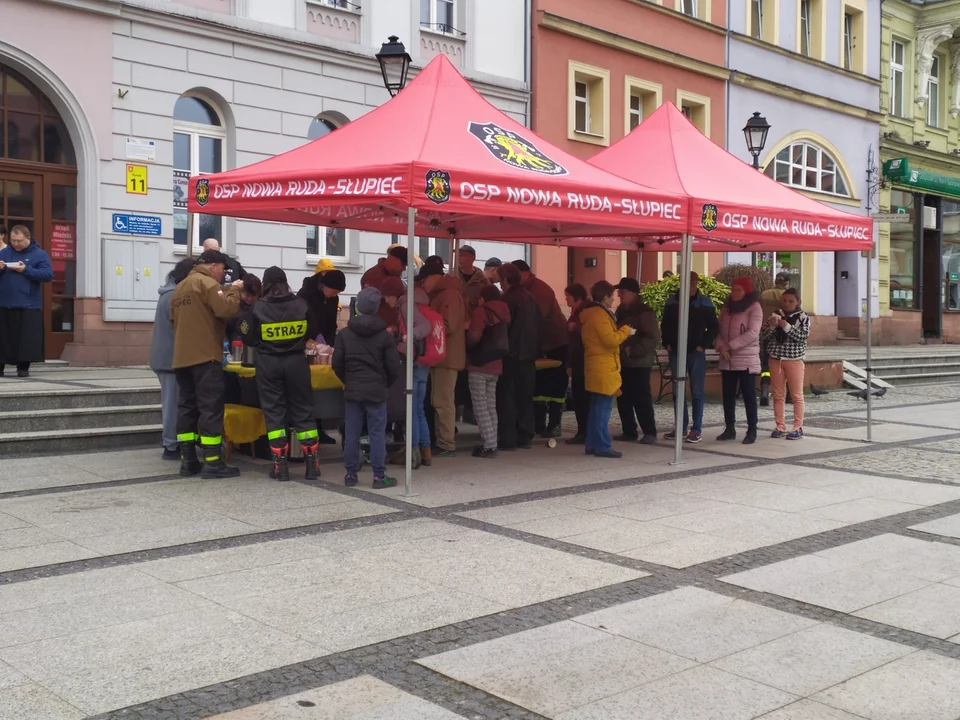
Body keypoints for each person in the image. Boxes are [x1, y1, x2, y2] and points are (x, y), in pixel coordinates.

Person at [242, 267, 321, 481]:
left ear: (265, 285)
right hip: (296, 362)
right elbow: (313, 329)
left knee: (274, 412)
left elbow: (247, 336)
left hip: (268, 363)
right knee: (304, 411)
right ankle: (312, 464)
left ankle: (280, 466)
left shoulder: (258, 307)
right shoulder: (301, 304)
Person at [170, 249, 243, 479]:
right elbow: (227, 309)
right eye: (223, 269)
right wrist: (234, 291)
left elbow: (174, 321)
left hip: (182, 357)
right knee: (210, 407)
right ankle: (213, 462)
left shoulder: (179, 287)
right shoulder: (208, 284)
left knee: (187, 408)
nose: (224, 274)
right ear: (213, 266)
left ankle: (188, 460)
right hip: (205, 356)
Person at [332, 287, 403, 489]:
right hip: (376, 390)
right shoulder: (384, 337)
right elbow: (393, 367)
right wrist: (383, 383)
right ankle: (379, 477)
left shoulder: (345, 334)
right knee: (377, 434)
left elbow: (337, 364)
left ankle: (351, 475)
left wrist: (348, 379)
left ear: (359, 307)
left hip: (353, 389)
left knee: (351, 433)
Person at [513, 259, 568, 438]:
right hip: (540, 344)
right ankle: (539, 424)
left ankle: (554, 424)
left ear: (526, 273)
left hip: (556, 343)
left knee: (555, 386)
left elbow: (535, 319)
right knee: (539, 386)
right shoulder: (526, 289)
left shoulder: (540, 290)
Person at [660, 271, 718, 443]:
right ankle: (681, 427)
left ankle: (696, 428)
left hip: (695, 352)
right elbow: (665, 324)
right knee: (678, 390)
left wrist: (703, 345)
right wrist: (667, 343)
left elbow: (714, 327)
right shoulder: (673, 301)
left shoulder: (704, 302)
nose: (692, 286)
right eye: (688, 282)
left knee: (697, 390)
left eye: (694, 283)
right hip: (676, 350)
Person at [149, 258, 197, 461]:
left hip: (166, 356)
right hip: (170, 358)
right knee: (172, 404)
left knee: (174, 403)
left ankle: (174, 441)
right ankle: (170, 445)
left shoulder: (168, 294)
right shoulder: (174, 296)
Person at [581, 281, 635, 459]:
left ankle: (592, 444)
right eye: (612, 296)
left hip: (596, 365)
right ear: (604, 297)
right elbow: (610, 341)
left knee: (596, 408)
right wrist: (625, 331)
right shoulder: (600, 315)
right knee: (603, 409)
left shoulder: (590, 314)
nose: (614, 299)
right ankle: (603, 446)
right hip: (603, 366)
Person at [384, 276, 432, 468]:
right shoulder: (411, 303)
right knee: (418, 408)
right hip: (424, 361)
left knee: (410, 408)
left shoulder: (405, 304)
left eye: (387, 296)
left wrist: (408, 336)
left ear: (394, 294)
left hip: (415, 361)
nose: (386, 301)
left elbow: (424, 326)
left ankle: (412, 452)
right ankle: (426, 452)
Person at [420, 263, 465, 457]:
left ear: (433, 277)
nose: (423, 285)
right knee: (439, 401)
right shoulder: (443, 293)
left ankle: (447, 443)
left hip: (446, 357)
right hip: (441, 356)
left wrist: (423, 329)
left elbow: (447, 326)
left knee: (443, 402)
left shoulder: (448, 294)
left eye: (424, 280)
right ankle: (443, 441)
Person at [0, 225, 53, 378]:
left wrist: (26, 270)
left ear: (28, 239)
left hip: (28, 305)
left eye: (19, 241)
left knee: (25, 341)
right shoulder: (4, 253)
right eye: (13, 241)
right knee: (3, 339)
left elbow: (47, 275)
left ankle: (23, 368)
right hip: (4, 303)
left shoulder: (39, 254)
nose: (16, 244)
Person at [497, 263, 540, 450]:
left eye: (500, 280)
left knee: (508, 397)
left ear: (505, 280)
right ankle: (525, 435)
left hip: (512, 354)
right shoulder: (530, 297)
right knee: (525, 397)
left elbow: (504, 328)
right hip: (529, 354)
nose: (500, 284)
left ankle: (508, 437)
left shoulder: (508, 299)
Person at [715, 277, 762, 445]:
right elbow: (718, 330)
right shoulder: (726, 308)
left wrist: (729, 346)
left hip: (746, 359)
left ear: (746, 292)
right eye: (733, 289)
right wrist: (722, 346)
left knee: (748, 394)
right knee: (727, 395)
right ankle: (729, 428)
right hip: (727, 359)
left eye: (739, 290)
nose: (734, 293)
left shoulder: (754, 307)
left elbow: (752, 333)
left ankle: (752, 429)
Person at [613, 278, 660, 445]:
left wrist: (634, 350)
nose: (619, 295)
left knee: (641, 398)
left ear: (633, 293)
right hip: (624, 361)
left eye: (622, 292)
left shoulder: (643, 311)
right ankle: (629, 431)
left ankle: (649, 431)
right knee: (623, 397)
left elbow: (653, 336)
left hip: (639, 362)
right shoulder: (621, 310)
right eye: (619, 292)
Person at [466, 284, 510, 458]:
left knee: (480, 406)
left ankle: (489, 445)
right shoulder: (504, 312)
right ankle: (493, 442)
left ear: (483, 298)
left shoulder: (481, 311)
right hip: (496, 363)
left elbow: (474, 337)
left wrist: (467, 336)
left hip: (480, 364)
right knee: (491, 405)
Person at [763, 288, 809, 440]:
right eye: (784, 301)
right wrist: (771, 326)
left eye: (791, 301)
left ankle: (797, 427)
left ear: (798, 302)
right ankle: (780, 426)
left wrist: (785, 326)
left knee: (796, 395)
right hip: (775, 358)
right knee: (778, 395)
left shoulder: (803, 317)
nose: (787, 304)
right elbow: (763, 336)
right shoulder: (776, 314)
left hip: (794, 360)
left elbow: (802, 337)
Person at [759, 272, 790, 407]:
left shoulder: (764, 294)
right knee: (787, 366)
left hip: (766, 333)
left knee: (765, 365)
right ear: (786, 283)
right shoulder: (788, 297)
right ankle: (789, 395)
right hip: (784, 336)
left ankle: (764, 391)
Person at [564, 283, 589, 445]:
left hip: (584, 361)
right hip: (577, 360)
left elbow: (590, 332)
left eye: (567, 295)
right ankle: (582, 431)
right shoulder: (576, 312)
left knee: (583, 398)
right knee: (579, 397)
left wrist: (575, 328)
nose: (565, 298)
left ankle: (584, 432)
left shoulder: (584, 312)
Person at [298, 264, 346, 346]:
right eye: (334, 292)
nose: (335, 295)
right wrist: (316, 334)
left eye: (338, 293)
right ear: (324, 286)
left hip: (324, 343)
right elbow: (305, 319)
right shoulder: (306, 294)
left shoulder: (333, 299)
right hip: (308, 341)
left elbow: (332, 323)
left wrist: (330, 344)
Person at [226, 274, 261, 344]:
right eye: (247, 295)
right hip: (235, 345)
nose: (250, 298)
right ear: (240, 291)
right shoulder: (233, 305)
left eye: (253, 296)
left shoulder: (261, 307)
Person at [457, 245, 489, 312]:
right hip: (455, 319)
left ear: (473, 258)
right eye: (458, 255)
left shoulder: (482, 280)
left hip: (474, 319)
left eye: (463, 255)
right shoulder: (451, 276)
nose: (459, 258)